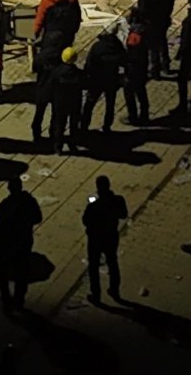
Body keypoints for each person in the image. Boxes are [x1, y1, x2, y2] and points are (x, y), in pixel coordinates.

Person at [0, 176, 43, 310]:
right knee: (21, 273)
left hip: (8, 244)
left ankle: (6, 299)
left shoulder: (6, 204)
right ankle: (19, 300)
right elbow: (38, 218)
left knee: (2, 272)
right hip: (24, 241)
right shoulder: (29, 201)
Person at [83, 175, 128, 304]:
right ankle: (114, 290)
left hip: (95, 238)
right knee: (113, 263)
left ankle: (96, 294)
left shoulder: (94, 204)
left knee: (93, 266)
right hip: (111, 236)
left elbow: (85, 220)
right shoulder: (117, 200)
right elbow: (123, 214)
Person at [34, 45, 82, 150]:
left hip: (60, 102)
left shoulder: (57, 72)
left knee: (60, 124)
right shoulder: (78, 73)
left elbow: (52, 85)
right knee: (73, 125)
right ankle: (73, 144)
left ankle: (58, 146)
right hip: (74, 103)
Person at [82, 23, 126, 133]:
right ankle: (107, 126)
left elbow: (89, 64)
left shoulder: (97, 46)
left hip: (96, 80)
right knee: (110, 104)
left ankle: (83, 126)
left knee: (89, 104)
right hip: (112, 79)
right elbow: (124, 60)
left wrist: (86, 77)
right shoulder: (118, 46)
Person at [135, 0, 175, 75]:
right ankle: (166, 66)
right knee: (163, 42)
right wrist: (167, 13)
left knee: (153, 47)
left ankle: (155, 70)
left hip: (151, 23)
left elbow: (142, 10)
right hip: (163, 20)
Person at [122, 14, 153, 124]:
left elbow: (132, 53)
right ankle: (144, 115)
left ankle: (133, 116)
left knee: (129, 92)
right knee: (141, 90)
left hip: (133, 68)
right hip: (142, 65)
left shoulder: (135, 36)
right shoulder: (145, 31)